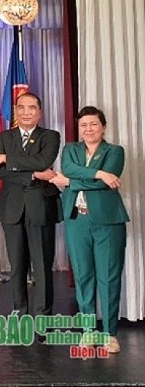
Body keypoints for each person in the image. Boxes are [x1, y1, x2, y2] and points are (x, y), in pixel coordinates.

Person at [50, 106, 128, 354]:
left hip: (108, 221)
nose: (88, 129)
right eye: (84, 125)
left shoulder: (115, 151)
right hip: (77, 220)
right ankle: (88, 332)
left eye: (93, 124)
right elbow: (71, 169)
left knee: (108, 277)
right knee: (84, 278)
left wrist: (71, 182)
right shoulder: (71, 150)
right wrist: (99, 174)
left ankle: (110, 333)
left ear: (103, 127)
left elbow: (107, 182)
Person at [0, 92, 61, 324]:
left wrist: (7, 158)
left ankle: (43, 318)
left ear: (40, 112)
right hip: (11, 207)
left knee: (42, 266)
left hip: (40, 206)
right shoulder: (4, 136)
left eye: (32, 108)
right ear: (15, 111)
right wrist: (33, 174)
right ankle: (20, 315)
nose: (26, 112)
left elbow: (43, 161)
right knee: (17, 266)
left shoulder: (50, 136)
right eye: (21, 108)